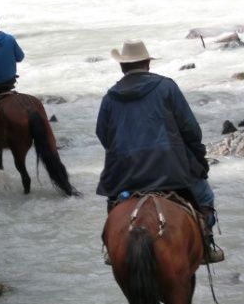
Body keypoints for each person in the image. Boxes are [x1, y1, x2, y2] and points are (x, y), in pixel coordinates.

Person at [96, 39, 224, 264]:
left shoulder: (110, 97)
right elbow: (190, 129)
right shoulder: (166, 87)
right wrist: (198, 157)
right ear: (147, 63)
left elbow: (103, 135)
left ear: (122, 67)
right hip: (170, 168)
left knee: (114, 205)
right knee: (205, 196)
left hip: (127, 173)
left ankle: (111, 250)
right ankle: (207, 246)